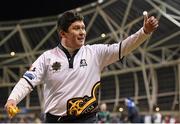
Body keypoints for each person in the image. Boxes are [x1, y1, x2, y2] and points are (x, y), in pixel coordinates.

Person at [4, 10, 158, 123]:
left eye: (83, 28)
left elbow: (123, 47)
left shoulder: (95, 53)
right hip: (54, 120)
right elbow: (28, 80)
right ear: (63, 34)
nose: (82, 32)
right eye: (76, 28)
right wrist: (12, 99)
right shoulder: (47, 58)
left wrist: (144, 32)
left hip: (87, 119)